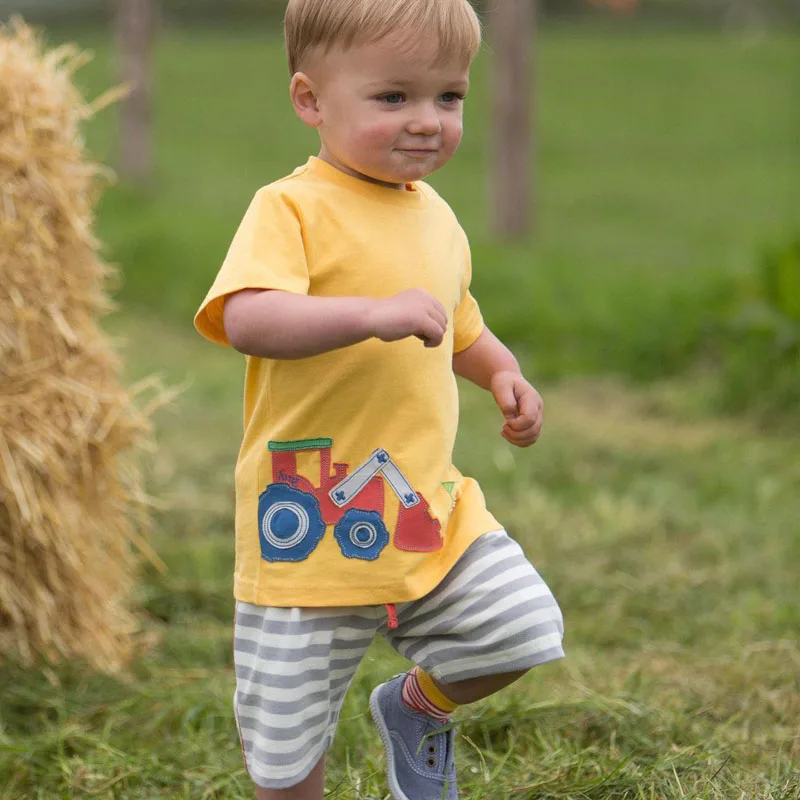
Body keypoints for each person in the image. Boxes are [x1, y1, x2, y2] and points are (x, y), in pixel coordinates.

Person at [194, 0, 564, 797]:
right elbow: (249, 316)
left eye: (450, 97)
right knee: (285, 754)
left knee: (522, 629)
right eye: (393, 98)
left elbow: (458, 324)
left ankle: (414, 708)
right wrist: (368, 314)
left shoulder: (438, 217)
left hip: (423, 510)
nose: (427, 121)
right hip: (308, 532)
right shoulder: (290, 208)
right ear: (310, 101)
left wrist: (501, 372)